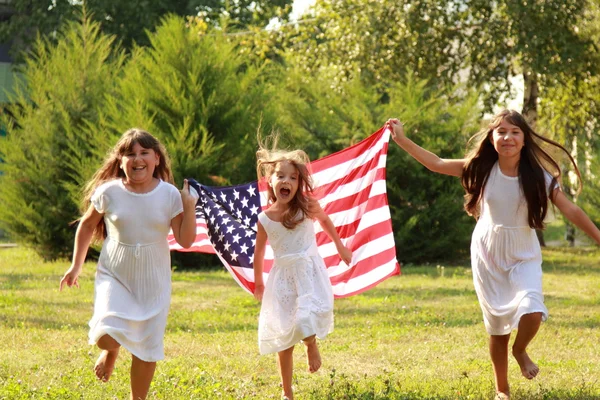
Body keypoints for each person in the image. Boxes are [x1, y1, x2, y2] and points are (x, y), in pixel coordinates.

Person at [388, 110, 600, 400]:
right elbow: (435, 163)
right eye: (501, 132)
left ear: (524, 140)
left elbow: (571, 210)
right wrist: (402, 140)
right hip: (488, 252)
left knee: (533, 309)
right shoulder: (481, 169)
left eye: (515, 132)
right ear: (491, 138)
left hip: (523, 252)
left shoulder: (539, 177)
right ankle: (502, 389)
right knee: (497, 325)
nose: (507, 137)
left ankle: (520, 349)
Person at [59, 128, 198, 400]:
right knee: (106, 334)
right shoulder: (109, 191)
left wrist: (189, 206)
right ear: (120, 161)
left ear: (156, 159)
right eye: (129, 154)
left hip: (154, 277)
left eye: (144, 153)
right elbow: (87, 226)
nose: (137, 159)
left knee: (147, 344)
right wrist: (76, 265)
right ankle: (111, 351)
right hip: (115, 272)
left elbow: (185, 240)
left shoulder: (169, 195)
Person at [253, 140, 353, 400]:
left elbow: (326, 222)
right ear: (271, 181)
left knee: (304, 316)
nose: (287, 181)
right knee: (283, 336)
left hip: (308, 271)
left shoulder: (306, 207)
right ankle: (287, 392)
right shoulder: (265, 219)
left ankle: (311, 345)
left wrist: (341, 248)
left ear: (298, 184)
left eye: (293, 178)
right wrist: (259, 283)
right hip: (283, 276)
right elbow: (259, 252)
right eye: (281, 176)